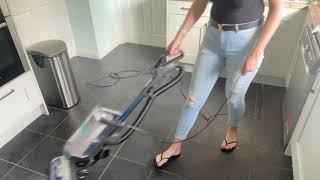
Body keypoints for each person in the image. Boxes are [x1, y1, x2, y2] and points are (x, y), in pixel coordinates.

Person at [154, 0, 283, 167]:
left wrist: (257, 51)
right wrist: (180, 36)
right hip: (213, 37)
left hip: (247, 42)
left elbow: (277, 9)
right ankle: (176, 145)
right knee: (193, 99)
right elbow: (200, 2)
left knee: (234, 97)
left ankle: (232, 129)